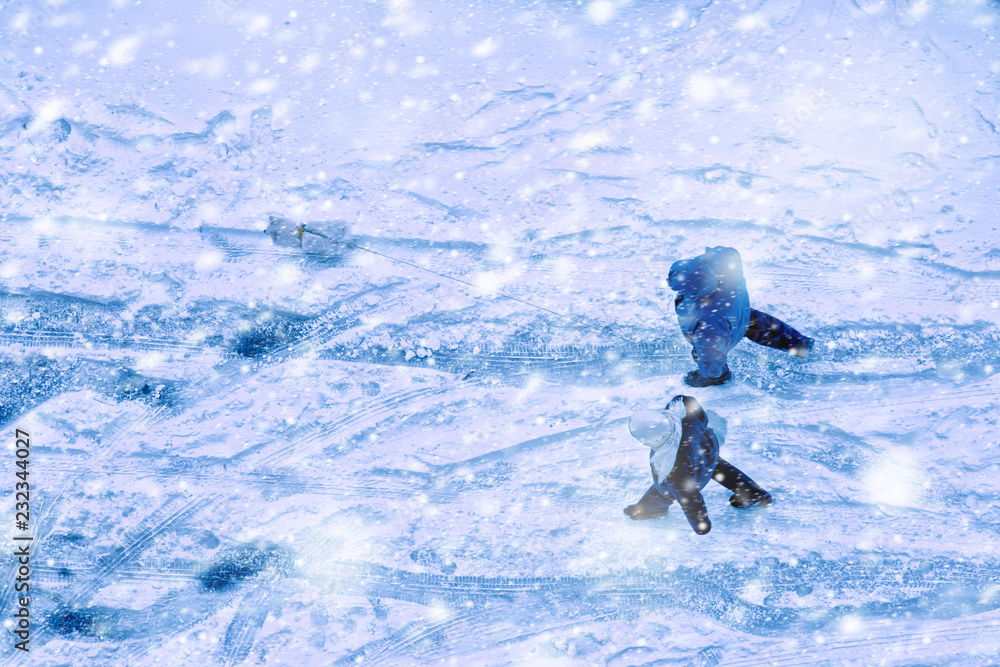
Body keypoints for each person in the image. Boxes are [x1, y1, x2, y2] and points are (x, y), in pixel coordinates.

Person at [668, 246, 814, 387]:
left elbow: (710, 357)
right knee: (764, 326)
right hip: (740, 312)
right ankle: (799, 344)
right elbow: (728, 253)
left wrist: (710, 374)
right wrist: (705, 260)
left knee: (706, 351)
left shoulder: (708, 321)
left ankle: (717, 377)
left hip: (722, 327)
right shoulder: (723, 265)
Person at [624, 395, 771, 535]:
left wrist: (701, 525)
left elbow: (690, 500)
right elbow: (692, 405)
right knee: (723, 471)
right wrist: (701, 431)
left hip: (694, 468)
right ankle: (755, 495)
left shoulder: (671, 469)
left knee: (663, 489)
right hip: (707, 448)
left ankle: (651, 510)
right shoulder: (681, 410)